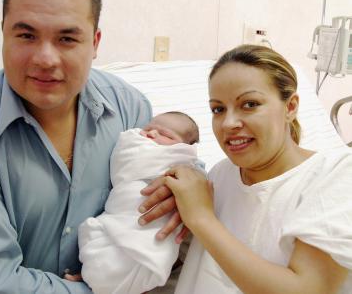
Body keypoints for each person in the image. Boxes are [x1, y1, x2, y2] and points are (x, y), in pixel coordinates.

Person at [0, 0, 162, 294]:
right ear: (4, 34)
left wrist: (183, 184)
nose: (45, 59)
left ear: (95, 43)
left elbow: (161, 188)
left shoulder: (130, 108)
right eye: (26, 35)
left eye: (67, 39)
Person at [139, 45, 352, 294]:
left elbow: (308, 288)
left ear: (290, 107)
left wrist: (201, 217)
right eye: (218, 109)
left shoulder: (335, 175)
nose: (228, 123)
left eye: (249, 104)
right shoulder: (218, 176)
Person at [78, 111, 200, 294]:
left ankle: (121, 280)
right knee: (102, 242)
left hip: (151, 222)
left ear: (184, 148)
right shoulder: (133, 142)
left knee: (146, 248)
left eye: (165, 135)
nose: (151, 134)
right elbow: (124, 160)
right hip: (121, 209)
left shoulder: (182, 162)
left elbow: (193, 175)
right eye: (149, 129)